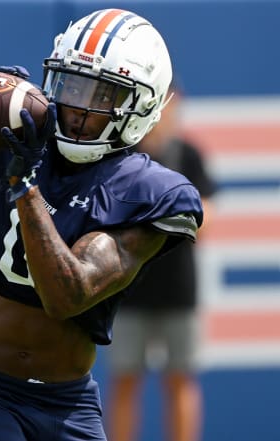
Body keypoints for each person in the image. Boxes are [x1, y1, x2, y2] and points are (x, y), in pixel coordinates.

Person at [0, 8, 203, 441]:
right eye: (72, 85)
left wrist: (24, 186)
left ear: (139, 106)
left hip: (69, 404)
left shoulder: (146, 191)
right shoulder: (18, 130)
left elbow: (68, 294)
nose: (79, 107)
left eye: (101, 95)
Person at [106, 80, 216, 441]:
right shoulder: (121, 156)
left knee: (180, 377)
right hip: (126, 289)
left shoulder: (189, 156)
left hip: (179, 291)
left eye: (172, 107)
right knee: (124, 377)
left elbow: (207, 218)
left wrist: (169, 217)